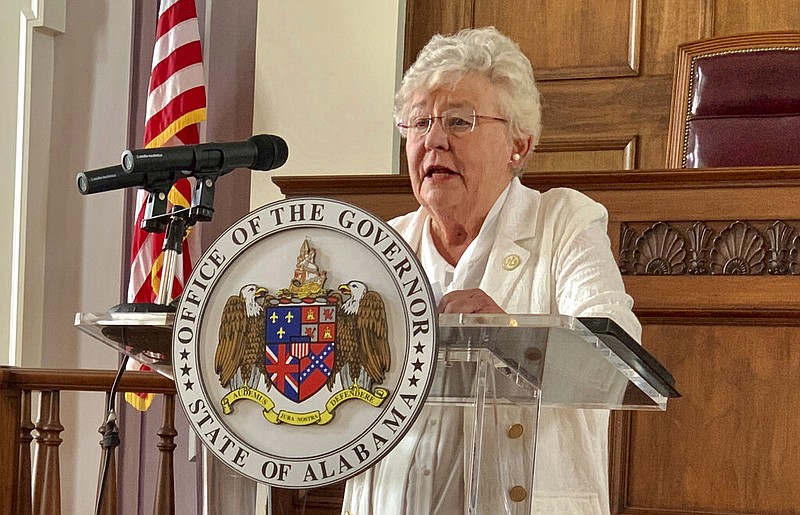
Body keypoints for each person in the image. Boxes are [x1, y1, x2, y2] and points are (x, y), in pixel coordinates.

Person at [342, 26, 641, 515]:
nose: (433, 140)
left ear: (517, 147)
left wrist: (510, 335)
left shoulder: (564, 223)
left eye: (459, 121)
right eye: (419, 123)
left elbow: (617, 361)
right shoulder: (378, 245)